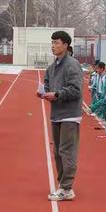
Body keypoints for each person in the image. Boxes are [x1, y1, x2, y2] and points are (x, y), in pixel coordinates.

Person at [40, 31, 82, 202]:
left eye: (56, 42)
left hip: (70, 115)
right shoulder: (52, 67)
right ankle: (62, 185)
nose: (53, 45)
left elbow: (76, 90)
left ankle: (67, 187)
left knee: (66, 151)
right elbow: (47, 84)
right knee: (57, 152)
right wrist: (43, 92)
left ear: (65, 45)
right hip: (56, 114)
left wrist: (56, 95)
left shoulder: (73, 65)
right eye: (52, 42)